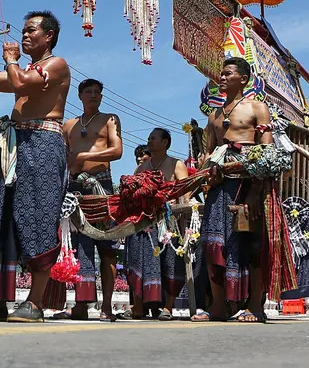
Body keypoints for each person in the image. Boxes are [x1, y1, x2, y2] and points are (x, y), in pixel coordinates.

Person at [0, 11, 71, 323]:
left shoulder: (56, 65)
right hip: (16, 146)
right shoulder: (26, 68)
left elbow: (20, 81)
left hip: (44, 146)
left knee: (37, 218)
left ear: (48, 36)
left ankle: (35, 303)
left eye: (31, 30)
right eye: (22, 30)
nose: (24, 35)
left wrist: (10, 59)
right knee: (3, 216)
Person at [192, 57, 274, 323]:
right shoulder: (214, 115)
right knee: (213, 246)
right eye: (221, 74)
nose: (222, 78)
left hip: (249, 184)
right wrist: (203, 178)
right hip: (218, 188)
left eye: (228, 74)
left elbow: (266, 151)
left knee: (251, 245)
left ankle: (255, 306)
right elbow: (207, 151)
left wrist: (254, 191)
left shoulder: (257, 108)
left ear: (244, 78)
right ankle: (217, 305)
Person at [53, 78, 123, 322]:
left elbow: (117, 151)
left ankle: (106, 307)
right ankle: (81, 305)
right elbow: (61, 155)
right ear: (80, 96)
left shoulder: (110, 119)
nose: (94, 95)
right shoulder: (69, 125)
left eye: (97, 92)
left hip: (100, 185)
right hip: (74, 187)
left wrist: (84, 155)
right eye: (89, 92)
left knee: (107, 248)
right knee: (80, 246)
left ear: (101, 97)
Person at [125, 128, 188, 321]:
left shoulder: (176, 165)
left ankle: (168, 307)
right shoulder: (142, 168)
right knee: (137, 260)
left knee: (170, 263)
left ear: (165, 142)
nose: (149, 141)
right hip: (144, 223)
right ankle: (137, 306)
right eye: (149, 138)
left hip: (169, 222)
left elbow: (184, 194)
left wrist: (182, 222)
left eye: (153, 138)